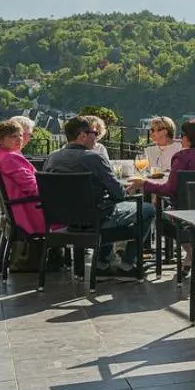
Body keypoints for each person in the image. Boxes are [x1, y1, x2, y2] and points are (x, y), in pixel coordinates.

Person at [44, 115, 156, 272]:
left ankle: (103, 261)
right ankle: (128, 261)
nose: (96, 138)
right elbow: (118, 194)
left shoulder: (52, 157)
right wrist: (124, 191)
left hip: (67, 221)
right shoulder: (93, 158)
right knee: (148, 209)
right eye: (94, 134)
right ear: (83, 136)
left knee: (106, 205)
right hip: (95, 220)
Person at [130, 117, 195, 199]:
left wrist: (144, 184)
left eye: (183, 134)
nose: (179, 137)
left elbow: (169, 190)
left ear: (192, 137)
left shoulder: (183, 157)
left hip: (184, 212)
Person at [0, 119, 43, 236]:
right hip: (30, 213)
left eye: (20, 135)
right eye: (13, 136)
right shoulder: (10, 158)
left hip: (16, 210)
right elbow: (33, 188)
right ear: (0, 139)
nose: (19, 139)